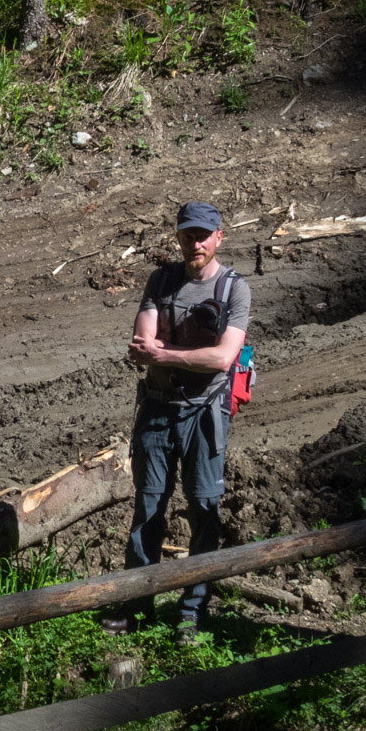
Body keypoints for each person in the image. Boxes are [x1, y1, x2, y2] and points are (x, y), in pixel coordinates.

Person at [113, 201, 250, 646]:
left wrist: (167, 355)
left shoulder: (234, 289)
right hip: (157, 408)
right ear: (178, 237)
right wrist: (175, 355)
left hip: (206, 413)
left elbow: (224, 358)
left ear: (219, 237)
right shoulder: (161, 279)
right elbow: (140, 342)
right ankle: (136, 607)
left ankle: (192, 615)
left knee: (203, 510)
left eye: (204, 235)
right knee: (148, 509)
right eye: (189, 235)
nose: (196, 242)